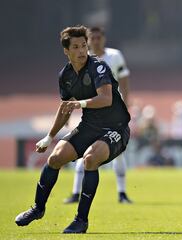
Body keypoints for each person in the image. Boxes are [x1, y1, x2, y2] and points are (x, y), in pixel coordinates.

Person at [15, 25, 131, 234]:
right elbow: (65, 107)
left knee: (90, 159)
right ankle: (38, 209)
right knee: (55, 158)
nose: (81, 51)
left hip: (116, 128)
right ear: (66, 51)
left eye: (84, 46)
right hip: (89, 126)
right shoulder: (65, 75)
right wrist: (49, 137)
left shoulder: (98, 67)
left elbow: (106, 98)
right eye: (76, 47)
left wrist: (81, 104)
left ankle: (81, 220)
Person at [64, 26, 132, 204]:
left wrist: (126, 104)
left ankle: (122, 193)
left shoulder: (114, 56)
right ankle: (75, 192)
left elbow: (124, 80)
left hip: (113, 110)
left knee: (118, 153)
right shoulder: (83, 59)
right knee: (84, 150)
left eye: (98, 37)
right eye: (92, 38)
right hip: (91, 111)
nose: (95, 41)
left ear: (103, 38)